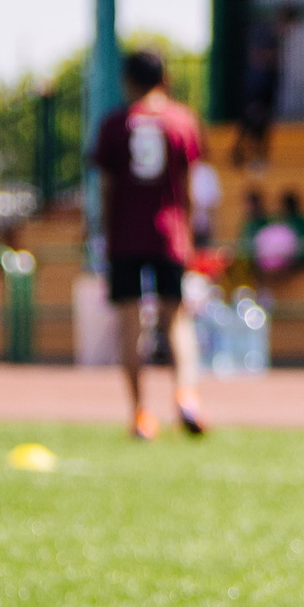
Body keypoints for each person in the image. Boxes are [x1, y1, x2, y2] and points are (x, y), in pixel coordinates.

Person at [89, 48, 210, 440]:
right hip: (169, 232)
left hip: (125, 234)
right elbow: (190, 186)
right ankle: (186, 396)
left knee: (130, 322)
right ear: (165, 78)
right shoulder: (182, 120)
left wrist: (105, 232)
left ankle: (141, 412)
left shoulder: (115, 124)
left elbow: (106, 188)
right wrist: (188, 232)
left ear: (128, 80)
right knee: (176, 319)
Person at [234, 6, 293, 171]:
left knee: (263, 123)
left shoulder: (275, 37)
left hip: (266, 88)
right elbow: (258, 57)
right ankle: (245, 153)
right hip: (258, 88)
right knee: (254, 121)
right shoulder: (266, 34)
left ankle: (256, 156)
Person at [189, 156, 223, 254]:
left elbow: (213, 203)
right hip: (187, 227)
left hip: (204, 226)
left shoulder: (207, 171)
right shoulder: (185, 169)